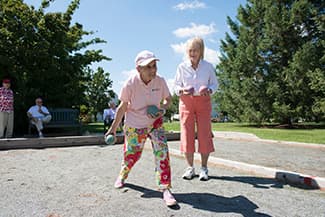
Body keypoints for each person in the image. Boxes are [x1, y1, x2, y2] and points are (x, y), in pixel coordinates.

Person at [105, 50, 177, 206]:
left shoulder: (160, 81)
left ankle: (165, 188)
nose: (153, 70)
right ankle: (123, 175)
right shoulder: (130, 83)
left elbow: (168, 99)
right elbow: (122, 107)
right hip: (135, 125)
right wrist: (113, 129)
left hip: (155, 123)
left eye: (154, 65)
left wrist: (162, 110)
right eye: (148, 67)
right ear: (138, 69)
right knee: (132, 155)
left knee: (162, 153)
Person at [174, 37, 218, 181]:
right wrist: (183, 90)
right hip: (186, 102)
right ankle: (190, 168)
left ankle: (204, 168)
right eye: (190, 50)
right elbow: (175, 87)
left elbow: (215, 85)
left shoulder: (208, 67)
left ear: (201, 51)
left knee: (204, 134)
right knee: (187, 134)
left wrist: (209, 90)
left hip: (203, 101)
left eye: (196, 50)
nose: (192, 53)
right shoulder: (181, 67)